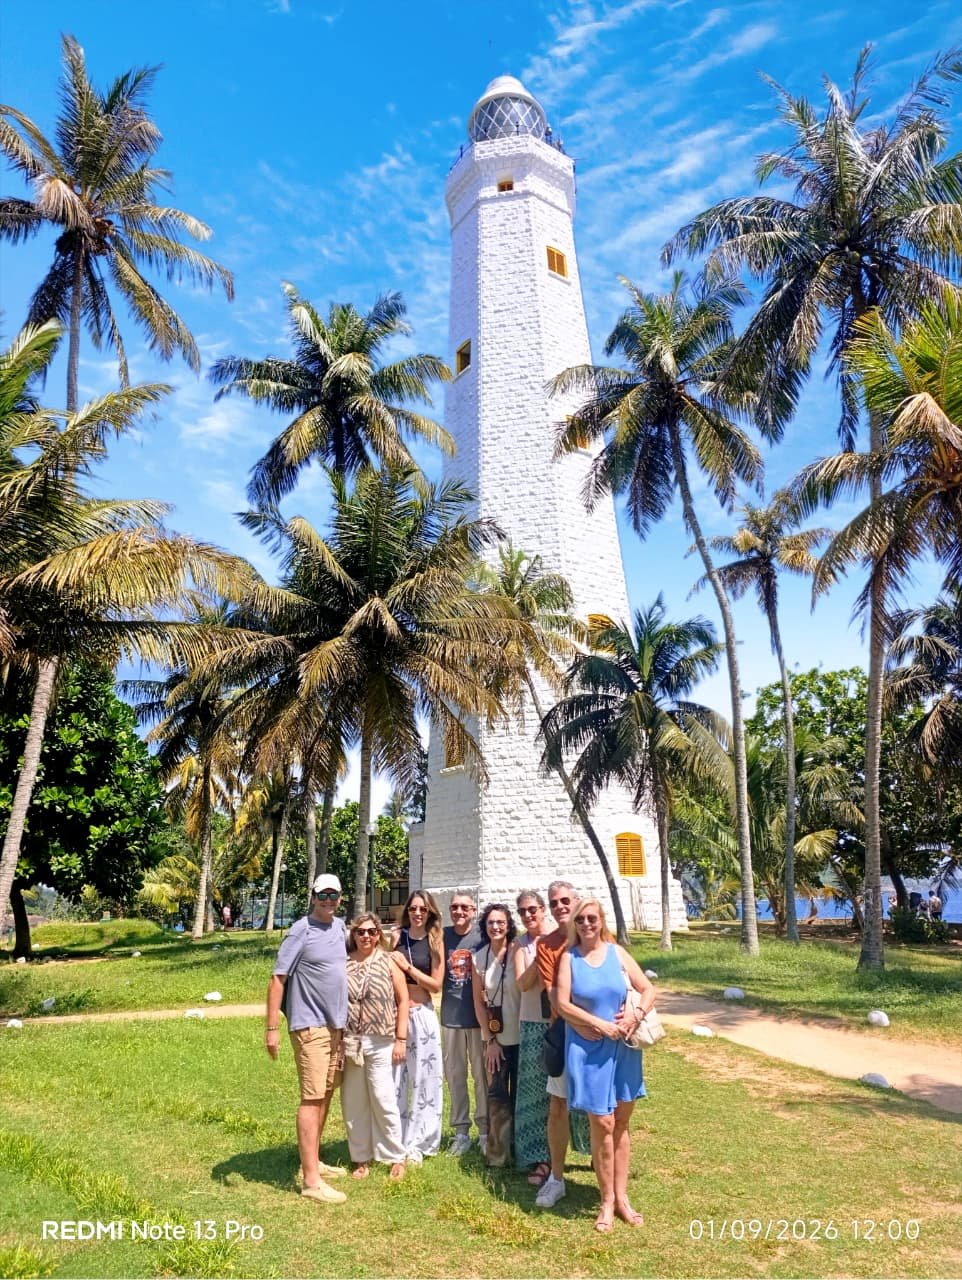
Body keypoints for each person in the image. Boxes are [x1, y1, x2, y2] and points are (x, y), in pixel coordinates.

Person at [556, 896, 656, 1233]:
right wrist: (597, 1024)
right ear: (575, 924)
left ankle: (623, 1197)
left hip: (623, 1046)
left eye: (592, 919)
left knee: (622, 1124)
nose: (586, 924)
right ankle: (606, 1201)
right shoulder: (569, 958)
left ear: (601, 921)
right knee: (603, 1123)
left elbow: (647, 989)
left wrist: (634, 1014)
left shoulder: (617, 953)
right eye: (580, 920)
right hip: (588, 1049)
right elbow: (561, 1003)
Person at [265, 872, 348, 1204]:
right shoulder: (301, 930)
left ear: (341, 898)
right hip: (309, 1026)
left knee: (326, 1092)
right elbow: (277, 979)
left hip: (335, 1026)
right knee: (312, 1098)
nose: (328, 901)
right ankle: (311, 1182)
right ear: (313, 896)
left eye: (334, 895)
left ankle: (313, 1162)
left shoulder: (340, 928)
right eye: (323, 895)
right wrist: (271, 1029)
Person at [534, 879, 590, 1209]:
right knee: (558, 1106)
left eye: (565, 900)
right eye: (554, 902)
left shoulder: (595, 934)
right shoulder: (548, 945)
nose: (560, 907)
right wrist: (586, 1021)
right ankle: (557, 1178)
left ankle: (606, 1174)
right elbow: (553, 994)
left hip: (598, 1036)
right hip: (565, 1032)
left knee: (602, 1109)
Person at [341, 913, 409, 1181]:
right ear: (353, 935)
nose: (366, 936)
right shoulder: (344, 963)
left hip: (381, 1040)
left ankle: (395, 1155)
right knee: (354, 1102)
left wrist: (401, 1039)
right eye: (360, 932)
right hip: (351, 1041)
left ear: (378, 934)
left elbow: (402, 1000)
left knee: (383, 1098)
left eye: (371, 931)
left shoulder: (388, 961)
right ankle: (360, 1156)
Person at [392, 889, 445, 1163]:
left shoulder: (435, 941)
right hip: (397, 1016)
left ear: (430, 912)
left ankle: (420, 1139)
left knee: (425, 1080)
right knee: (396, 1079)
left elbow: (436, 985)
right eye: (413, 909)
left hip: (423, 1015)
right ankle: (396, 1136)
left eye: (423, 910)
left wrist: (409, 969)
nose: (417, 913)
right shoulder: (397, 937)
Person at [472, 902, 521, 1166]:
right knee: (498, 1096)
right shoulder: (479, 958)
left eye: (501, 922)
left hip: (522, 1036)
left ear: (508, 924)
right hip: (496, 1041)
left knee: (523, 1097)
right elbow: (478, 1003)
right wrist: (490, 1041)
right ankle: (498, 1155)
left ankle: (524, 1153)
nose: (496, 927)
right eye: (491, 922)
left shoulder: (519, 952)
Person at [441, 891, 487, 1156]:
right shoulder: (443, 935)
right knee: (455, 1076)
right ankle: (460, 1132)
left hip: (478, 1019)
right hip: (451, 1019)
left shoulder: (482, 937)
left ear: (473, 910)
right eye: (454, 907)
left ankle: (484, 1130)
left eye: (464, 907)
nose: (459, 911)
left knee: (481, 1075)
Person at [513, 889, 553, 1186]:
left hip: (561, 1022)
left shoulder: (560, 936)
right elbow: (523, 984)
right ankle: (541, 1158)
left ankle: (588, 1149)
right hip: (531, 1023)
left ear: (543, 909)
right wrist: (540, 956)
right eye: (523, 911)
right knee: (535, 1096)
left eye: (533, 909)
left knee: (565, 1094)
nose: (528, 915)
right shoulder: (520, 945)